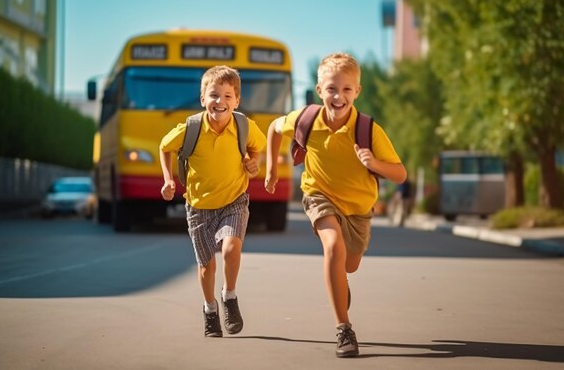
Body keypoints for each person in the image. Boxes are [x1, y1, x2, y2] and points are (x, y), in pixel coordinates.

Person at [264, 52, 407, 358]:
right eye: (331, 88)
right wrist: (272, 168)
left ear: (357, 92)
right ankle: (344, 328)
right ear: (319, 91)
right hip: (319, 194)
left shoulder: (368, 130)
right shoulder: (306, 119)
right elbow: (274, 128)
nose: (338, 96)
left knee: (348, 266)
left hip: (358, 209)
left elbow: (400, 174)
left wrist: (375, 163)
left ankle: (339, 285)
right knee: (333, 246)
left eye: (346, 89)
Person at [159, 65, 266, 337]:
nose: (221, 102)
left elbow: (258, 146)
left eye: (228, 96)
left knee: (231, 249)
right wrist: (168, 179)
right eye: (214, 95)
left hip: (234, 200)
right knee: (207, 265)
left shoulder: (244, 126)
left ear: (237, 101)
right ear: (203, 98)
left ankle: (229, 296)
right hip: (198, 207)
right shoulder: (191, 128)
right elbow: (164, 147)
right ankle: (210, 309)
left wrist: (254, 162)